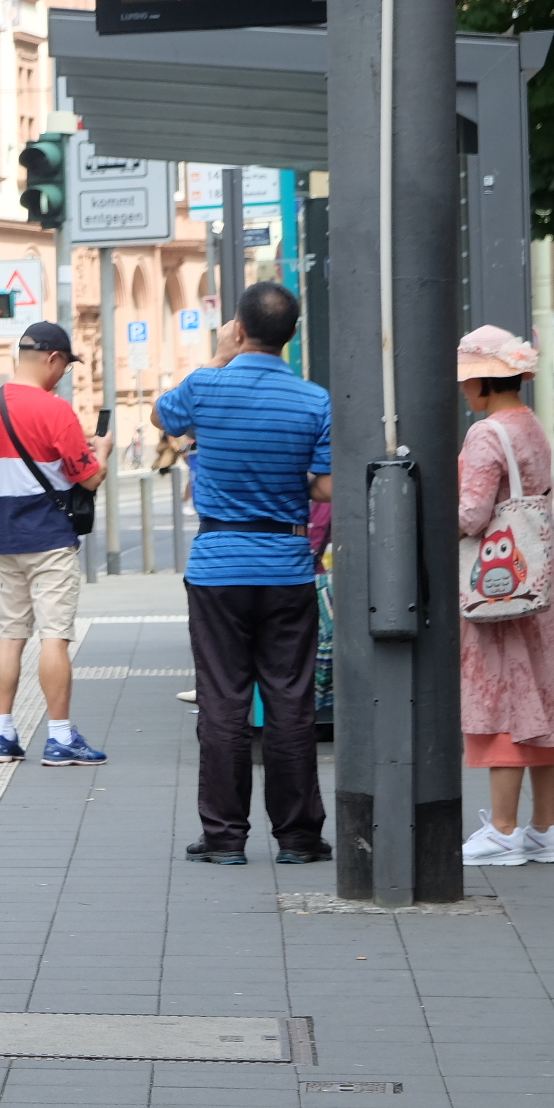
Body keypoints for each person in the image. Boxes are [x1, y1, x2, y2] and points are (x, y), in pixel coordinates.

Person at [151, 284, 333, 865]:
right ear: (292, 335)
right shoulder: (315, 400)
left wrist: (216, 356)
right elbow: (325, 488)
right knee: (290, 701)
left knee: (222, 701)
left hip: (217, 568)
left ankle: (225, 838)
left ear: (238, 328)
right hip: (287, 567)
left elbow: (160, 414)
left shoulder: (206, 386)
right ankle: (298, 839)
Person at [0, 321, 109, 765]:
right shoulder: (55, 410)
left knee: (9, 634)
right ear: (52, 359)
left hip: (3, 539)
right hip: (49, 539)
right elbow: (89, 477)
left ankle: (2, 735)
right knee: (54, 637)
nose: (62, 375)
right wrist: (102, 450)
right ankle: (59, 738)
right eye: (64, 366)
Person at [452, 326, 554, 864]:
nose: (462, 390)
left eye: (466, 380)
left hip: (496, 589)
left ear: (481, 381)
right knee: (541, 696)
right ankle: (545, 830)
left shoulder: (486, 433)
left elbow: (472, 514)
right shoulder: (531, 425)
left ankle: (502, 831)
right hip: (535, 579)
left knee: (501, 698)